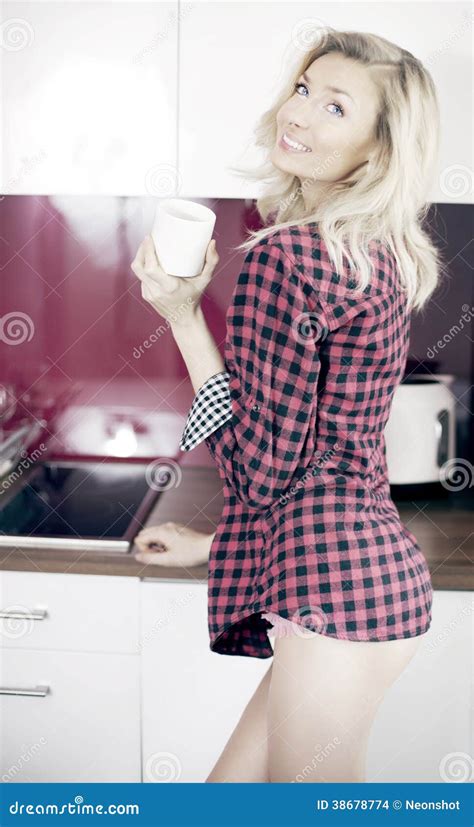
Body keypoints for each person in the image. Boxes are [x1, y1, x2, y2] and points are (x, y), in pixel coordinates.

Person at [131, 28, 442, 783]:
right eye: (304, 89)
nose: (298, 115)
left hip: (335, 596)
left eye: (336, 107)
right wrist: (215, 546)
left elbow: (261, 473)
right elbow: (321, 462)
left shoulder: (287, 257)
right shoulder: (374, 249)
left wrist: (180, 314)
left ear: (374, 151)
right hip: (362, 580)